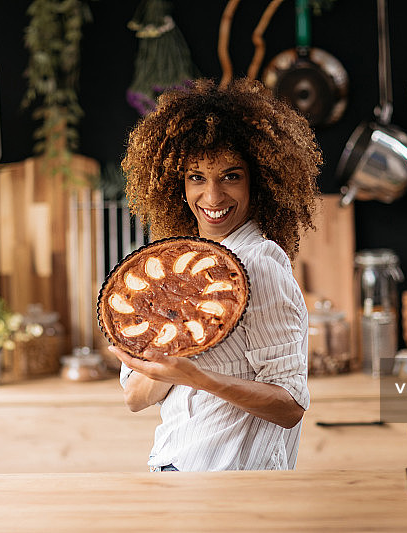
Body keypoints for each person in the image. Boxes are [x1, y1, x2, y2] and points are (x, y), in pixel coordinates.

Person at [110, 78, 322, 471]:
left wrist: (197, 377)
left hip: (233, 486)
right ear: (177, 182)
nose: (212, 197)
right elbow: (134, 398)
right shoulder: (172, 269)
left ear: (258, 180)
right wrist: (173, 359)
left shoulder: (258, 266)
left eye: (230, 176)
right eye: (196, 177)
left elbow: (290, 406)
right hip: (171, 469)